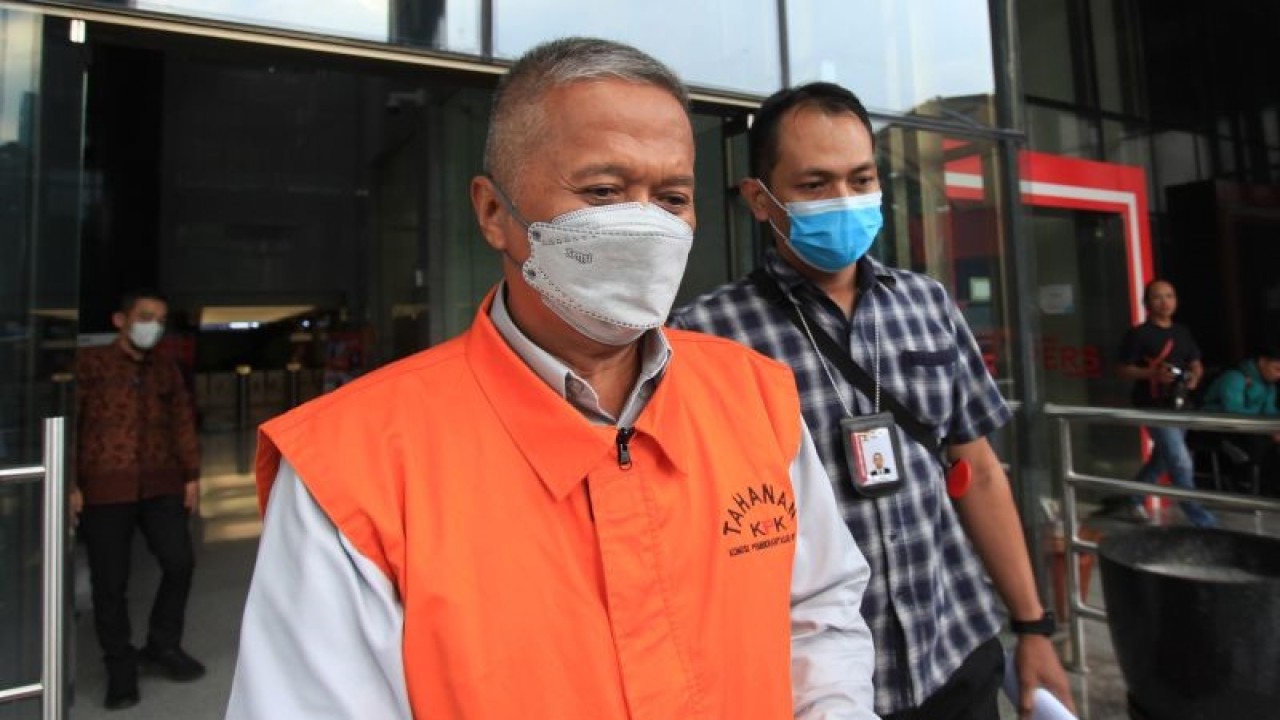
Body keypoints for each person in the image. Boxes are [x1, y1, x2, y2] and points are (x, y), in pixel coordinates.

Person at [226, 38, 877, 720]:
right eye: (603, 191)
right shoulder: (354, 468)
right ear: (493, 213)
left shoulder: (754, 396)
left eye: (673, 196)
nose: (648, 225)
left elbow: (820, 613)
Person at [670, 81, 1074, 719]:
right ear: (759, 199)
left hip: (956, 652)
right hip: (812, 688)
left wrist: (1032, 627)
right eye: (814, 185)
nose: (844, 200)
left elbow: (981, 474)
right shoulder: (704, 336)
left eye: (861, 179)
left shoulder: (928, 303)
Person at [73, 289, 205, 710]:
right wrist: (70, 485)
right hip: (104, 487)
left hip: (162, 484)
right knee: (109, 583)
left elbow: (183, 421)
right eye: (147, 317)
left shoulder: (167, 369)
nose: (154, 326)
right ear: (120, 320)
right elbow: (70, 425)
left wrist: (191, 476)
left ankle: (163, 645)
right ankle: (120, 667)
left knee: (179, 562)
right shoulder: (90, 366)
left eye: (160, 320)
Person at [1115, 279, 1217, 527]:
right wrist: (1151, 374)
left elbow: (1195, 362)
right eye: (1158, 297)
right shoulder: (1139, 334)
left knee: (1162, 459)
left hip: (1180, 405)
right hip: (1152, 405)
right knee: (1180, 460)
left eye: (1170, 296)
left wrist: (1194, 377)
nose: (1165, 302)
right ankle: (1199, 517)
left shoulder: (1182, 332)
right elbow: (1122, 370)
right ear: (1148, 303)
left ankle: (1134, 498)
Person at [1200, 342, 1280, 495]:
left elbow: (1269, 412)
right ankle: (1247, 487)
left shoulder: (1270, 385)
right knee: (1260, 444)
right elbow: (1233, 413)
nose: (1279, 375)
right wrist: (1267, 430)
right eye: (1276, 369)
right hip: (1221, 428)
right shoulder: (1234, 377)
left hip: (1253, 427)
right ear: (1262, 362)